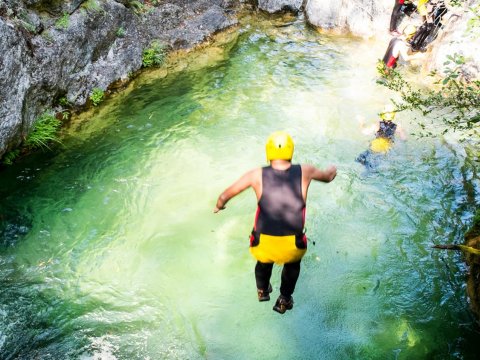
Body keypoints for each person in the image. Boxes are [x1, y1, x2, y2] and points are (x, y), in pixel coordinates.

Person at [213, 131, 337, 314]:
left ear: (268, 152)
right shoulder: (306, 171)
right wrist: (331, 172)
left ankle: (262, 290)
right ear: (291, 152)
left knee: (263, 260)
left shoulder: (255, 174)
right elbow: (327, 177)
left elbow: (224, 196)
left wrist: (219, 206)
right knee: (293, 265)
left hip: (262, 242)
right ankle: (284, 299)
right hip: (292, 244)